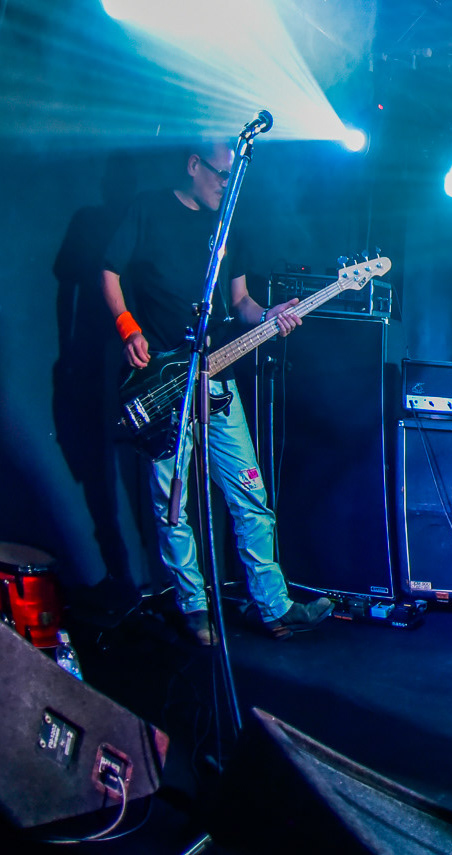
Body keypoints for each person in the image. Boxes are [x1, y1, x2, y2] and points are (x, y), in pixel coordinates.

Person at [101, 141, 332, 645]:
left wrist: (268, 315)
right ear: (194, 165)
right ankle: (193, 606)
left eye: (234, 180)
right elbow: (109, 271)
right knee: (173, 502)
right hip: (162, 379)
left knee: (250, 495)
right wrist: (127, 328)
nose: (228, 187)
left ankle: (275, 607)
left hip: (218, 375)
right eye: (223, 176)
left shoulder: (229, 225)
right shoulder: (147, 208)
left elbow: (240, 300)